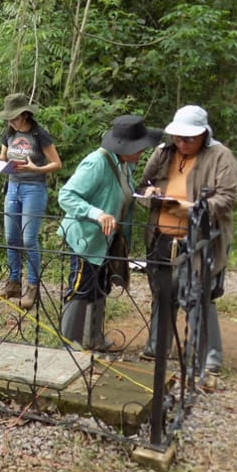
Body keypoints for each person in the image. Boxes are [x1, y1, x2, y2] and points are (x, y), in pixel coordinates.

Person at [138, 105, 237, 383]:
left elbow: (227, 199)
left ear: (204, 134)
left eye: (189, 139)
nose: (182, 143)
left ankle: (208, 357)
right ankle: (158, 346)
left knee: (198, 293)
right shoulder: (163, 152)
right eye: (178, 138)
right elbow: (143, 184)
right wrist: (150, 192)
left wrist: (193, 208)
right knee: (162, 291)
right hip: (160, 234)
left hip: (198, 239)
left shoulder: (221, 156)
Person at [58, 115, 162, 352]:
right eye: (139, 148)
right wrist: (97, 214)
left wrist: (147, 192)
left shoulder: (124, 164)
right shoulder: (96, 163)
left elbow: (124, 192)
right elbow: (66, 196)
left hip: (107, 239)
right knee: (81, 287)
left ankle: (94, 338)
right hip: (86, 237)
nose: (142, 152)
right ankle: (68, 344)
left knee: (101, 286)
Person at [0, 93, 62, 309]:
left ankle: (33, 286)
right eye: (9, 118)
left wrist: (36, 169)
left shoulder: (39, 134)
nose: (11, 121)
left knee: (29, 239)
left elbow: (57, 163)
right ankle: (13, 282)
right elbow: (3, 156)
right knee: (11, 238)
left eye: (14, 118)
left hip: (34, 188)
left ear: (24, 114)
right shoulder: (9, 133)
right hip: (12, 186)